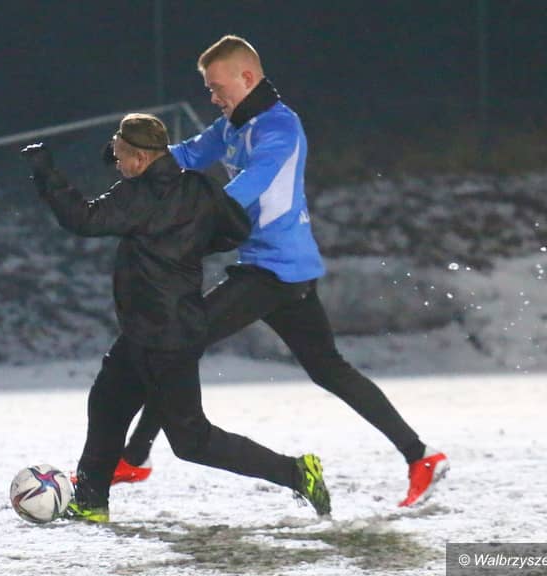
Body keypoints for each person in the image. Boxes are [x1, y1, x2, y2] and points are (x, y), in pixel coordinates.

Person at [113, 35, 449, 508]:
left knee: (177, 340)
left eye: (216, 87)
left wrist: (192, 219)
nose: (212, 96)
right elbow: (185, 155)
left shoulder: (280, 127)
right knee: (328, 370)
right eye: (208, 88)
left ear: (247, 78)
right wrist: (135, 157)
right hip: (281, 271)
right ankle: (421, 456)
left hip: (272, 273)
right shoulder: (232, 126)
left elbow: (248, 187)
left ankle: (134, 457)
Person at [20, 113, 332, 523]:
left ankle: (296, 473)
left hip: (164, 337)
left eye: (120, 156)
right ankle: (92, 500)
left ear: (139, 158)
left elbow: (83, 218)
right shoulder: (199, 187)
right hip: (155, 328)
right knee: (108, 402)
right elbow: (235, 229)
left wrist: (46, 174)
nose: (116, 163)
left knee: (192, 441)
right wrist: (191, 243)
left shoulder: (139, 195)